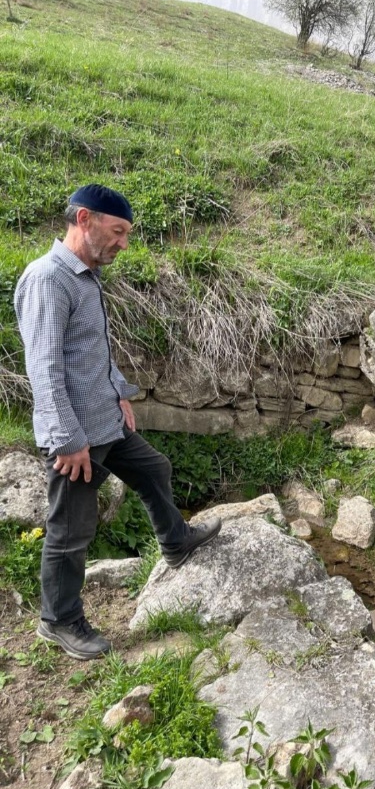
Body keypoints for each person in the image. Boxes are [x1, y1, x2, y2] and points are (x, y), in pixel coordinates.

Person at [13, 183, 222, 661]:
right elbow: (44, 368)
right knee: (71, 531)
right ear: (84, 219)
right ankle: (59, 621)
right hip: (76, 437)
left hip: (106, 421)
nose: (124, 243)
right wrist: (67, 440)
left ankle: (175, 542)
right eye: (118, 231)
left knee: (154, 469)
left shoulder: (85, 276)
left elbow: (91, 352)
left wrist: (120, 392)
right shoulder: (48, 279)